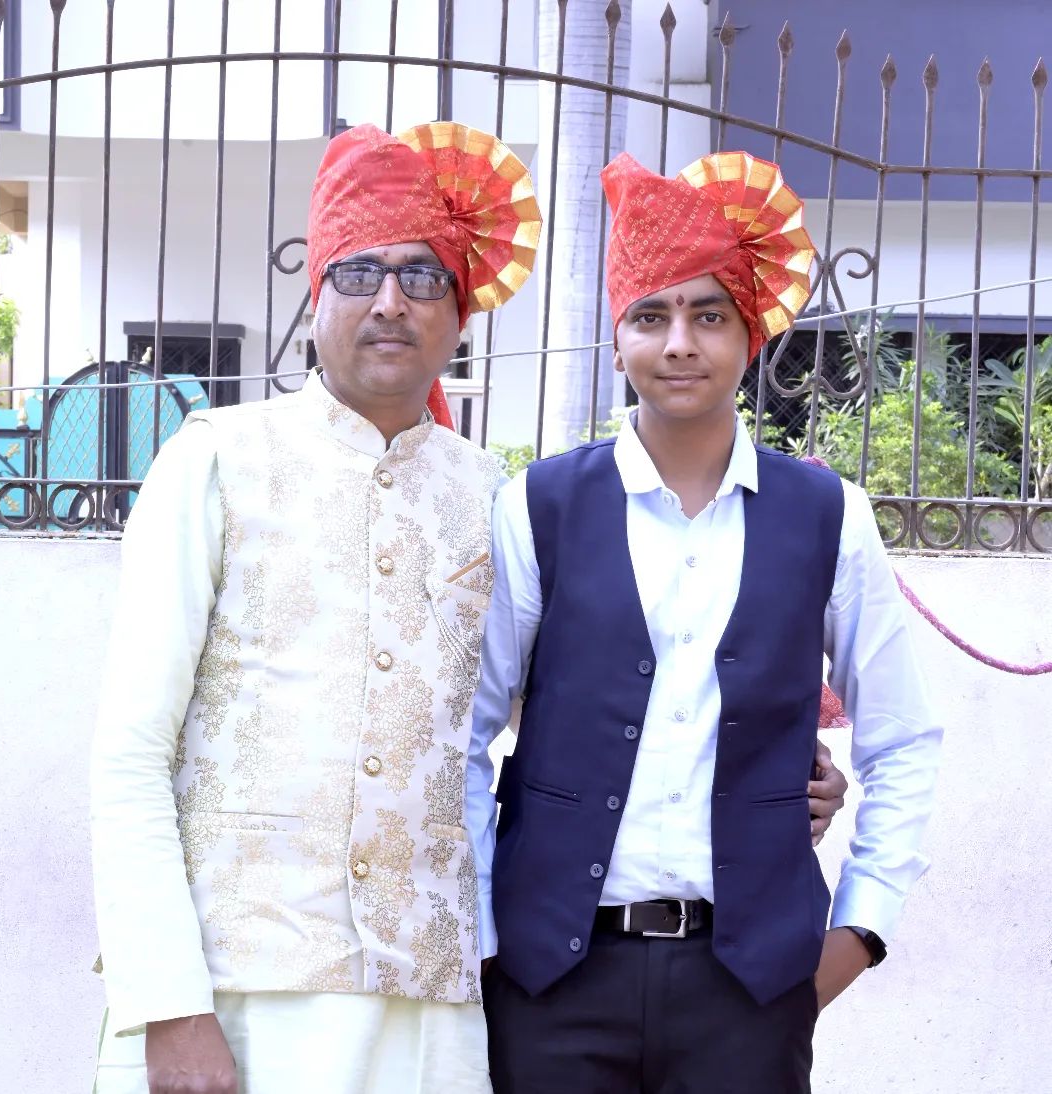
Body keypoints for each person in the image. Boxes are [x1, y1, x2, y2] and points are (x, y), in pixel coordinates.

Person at [469, 149, 943, 1093]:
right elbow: (466, 733)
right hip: (553, 983)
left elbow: (905, 737)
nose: (679, 341)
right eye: (650, 315)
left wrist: (856, 933)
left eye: (707, 314)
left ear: (751, 336)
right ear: (616, 341)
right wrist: (487, 943)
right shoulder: (540, 506)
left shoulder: (826, 516)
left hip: (751, 991)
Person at [89, 120, 541, 1094]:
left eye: (423, 276)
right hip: (237, 999)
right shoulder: (216, 458)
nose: (390, 301)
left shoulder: (497, 497)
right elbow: (131, 750)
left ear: (460, 309)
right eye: (359, 271)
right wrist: (170, 1004)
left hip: (429, 1011)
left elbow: (567, 727)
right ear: (316, 290)